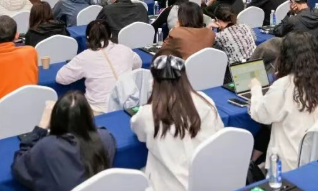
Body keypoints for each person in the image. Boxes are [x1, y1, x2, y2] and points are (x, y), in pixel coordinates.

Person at [131, 49, 224, 191]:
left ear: (153, 81)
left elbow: (139, 133)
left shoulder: (148, 114)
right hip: (207, 182)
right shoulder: (205, 101)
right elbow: (219, 133)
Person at [249, 31, 318, 171]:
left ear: (285, 56)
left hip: (287, 162)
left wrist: (256, 88)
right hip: (315, 155)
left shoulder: (284, 85)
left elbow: (260, 115)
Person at [11, 91, 115, 191]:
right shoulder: (106, 138)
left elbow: (19, 166)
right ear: (89, 116)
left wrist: (41, 127)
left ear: (55, 119)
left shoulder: (47, 146)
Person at [57, 20, 142, 114]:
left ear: (87, 38)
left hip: (100, 110)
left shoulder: (84, 57)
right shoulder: (125, 49)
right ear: (110, 35)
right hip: (129, 106)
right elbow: (138, 64)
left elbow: (61, 78)